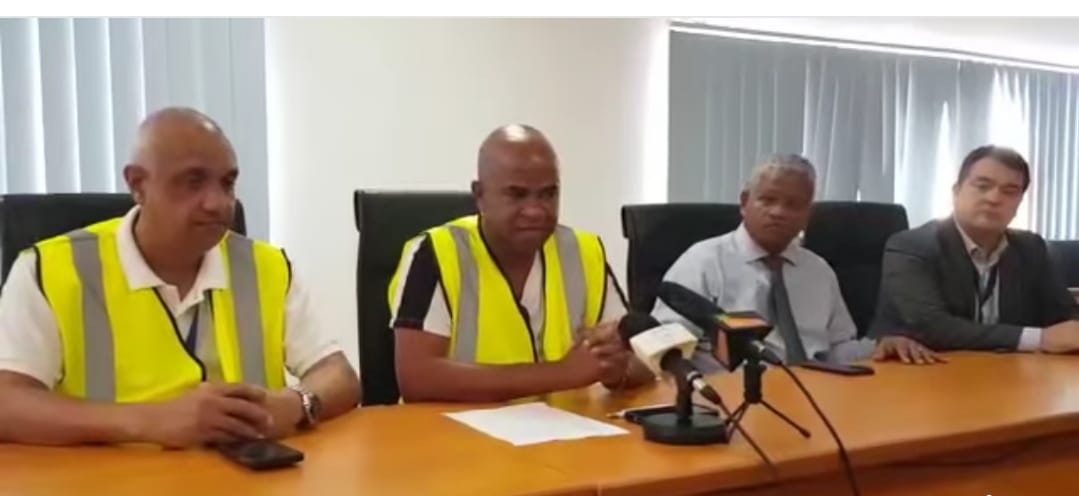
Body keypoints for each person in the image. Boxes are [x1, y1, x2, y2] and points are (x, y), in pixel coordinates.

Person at [0, 108, 359, 448]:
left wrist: (296, 403)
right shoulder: (50, 269)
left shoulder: (266, 266)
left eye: (227, 183)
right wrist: (147, 421)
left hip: (244, 480)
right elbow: (8, 403)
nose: (217, 203)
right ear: (137, 184)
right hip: (105, 481)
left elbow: (338, 375)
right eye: (193, 182)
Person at [390, 124, 653, 403]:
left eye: (548, 194)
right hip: (460, 439)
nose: (536, 210)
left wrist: (616, 369)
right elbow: (418, 379)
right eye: (517, 195)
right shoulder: (437, 254)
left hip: (565, 438)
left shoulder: (583, 251)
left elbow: (642, 363)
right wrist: (562, 373)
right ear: (479, 195)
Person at [654, 154, 940, 372]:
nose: (778, 212)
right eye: (767, 200)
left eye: (793, 205)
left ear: (807, 214)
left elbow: (835, 349)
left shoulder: (818, 271)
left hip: (814, 399)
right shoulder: (703, 262)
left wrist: (881, 345)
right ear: (744, 202)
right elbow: (668, 350)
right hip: (731, 401)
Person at [873, 145, 1079, 352]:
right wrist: (1039, 338)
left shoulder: (1030, 248)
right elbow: (931, 327)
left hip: (1010, 374)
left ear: (1019, 202)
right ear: (956, 192)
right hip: (921, 373)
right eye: (982, 186)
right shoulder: (912, 245)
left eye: (1010, 191)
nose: (994, 199)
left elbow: (1065, 315)